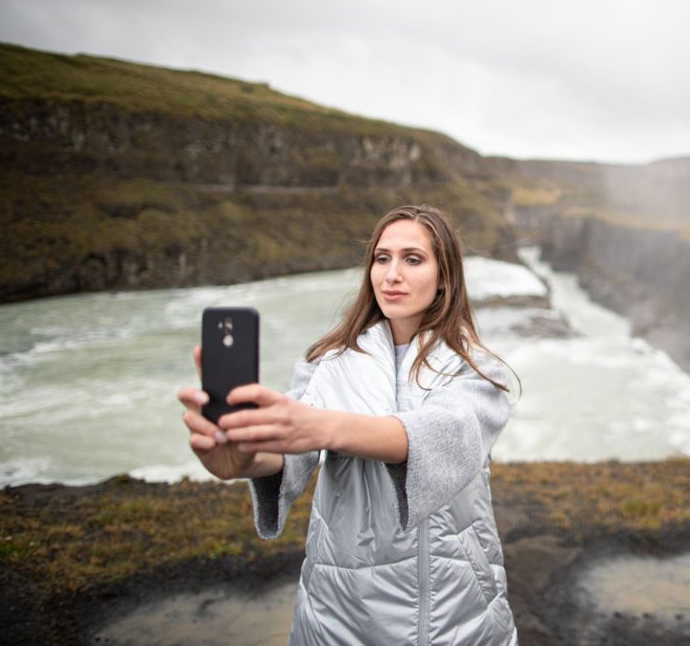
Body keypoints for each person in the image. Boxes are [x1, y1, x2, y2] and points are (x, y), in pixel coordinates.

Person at [177, 204, 518, 645]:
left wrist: (324, 427)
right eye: (382, 258)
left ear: (444, 277)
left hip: (458, 613)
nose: (391, 274)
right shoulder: (328, 364)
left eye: (412, 259)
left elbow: (446, 433)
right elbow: (287, 455)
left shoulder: (477, 370)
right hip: (338, 612)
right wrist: (242, 457)